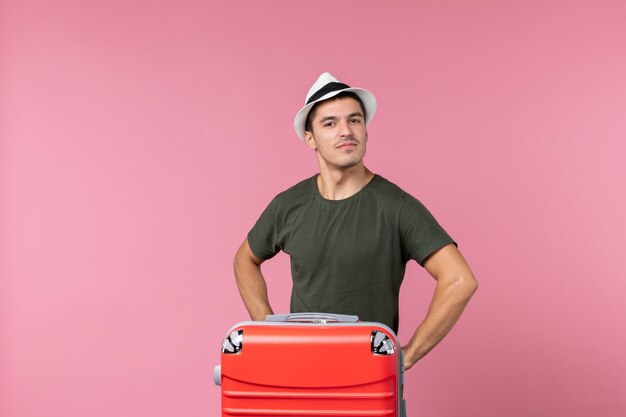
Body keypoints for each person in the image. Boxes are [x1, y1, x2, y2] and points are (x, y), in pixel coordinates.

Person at [233, 72, 478, 370]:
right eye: (330, 123)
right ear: (310, 138)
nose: (345, 131)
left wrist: (407, 355)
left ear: (365, 130)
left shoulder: (396, 207)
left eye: (355, 120)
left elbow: (460, 281)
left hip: (366, 376)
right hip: (298, 369)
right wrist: (267, 328)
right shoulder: (288, 205)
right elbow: (244, 259)